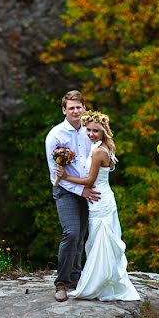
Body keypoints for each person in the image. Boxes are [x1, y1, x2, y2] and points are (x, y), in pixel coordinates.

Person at [56, 111, 140, 302]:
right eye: (89, 130)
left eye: (96, 131)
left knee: (99, 242)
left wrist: (65, 177)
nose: (92, 134)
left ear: (104, 132)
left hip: (98, 200)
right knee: (96, 242)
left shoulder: (98, 152)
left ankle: (100, 284)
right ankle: (103, 280)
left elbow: (89, 180)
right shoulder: (101, 147)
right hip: (102, 198)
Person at [45, 90, 100, 302]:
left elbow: (102, 154)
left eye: (79, 107)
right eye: (71, 108)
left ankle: (76, 278)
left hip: (88, 188)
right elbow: (54, 175)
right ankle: (61, 282)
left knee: (82, 234)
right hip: (65, 190)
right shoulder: (55, 136)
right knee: (71, 232)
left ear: (84, 108)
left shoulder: (91, 131)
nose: (76, 111)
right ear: (64, 110)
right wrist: (81, 190)